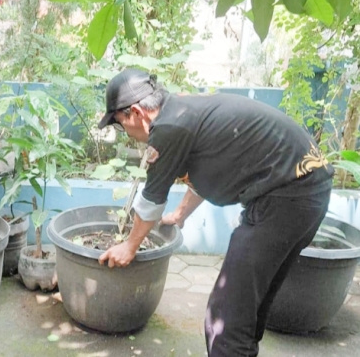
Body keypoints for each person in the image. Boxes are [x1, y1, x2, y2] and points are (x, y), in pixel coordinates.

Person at [97, 69, 333, 357]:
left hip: (284, 197)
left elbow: (151, 200)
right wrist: (181, 214)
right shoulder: (184, 110)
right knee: (248, 307)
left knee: (225, 319)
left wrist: (129, 247)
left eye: (120, 124)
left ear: (136, 112)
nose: (126, 134)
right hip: (310, 189)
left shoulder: (168, 127)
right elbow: (207, 169)